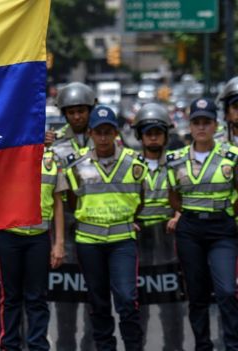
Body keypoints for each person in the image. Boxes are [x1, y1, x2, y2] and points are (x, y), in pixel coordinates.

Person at [63, 105, 146, 351]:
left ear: (116, 133)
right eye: (98, 132)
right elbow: (72, 200)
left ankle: (133, 346)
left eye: (108, 131)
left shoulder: (133, 162)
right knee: (98, 301)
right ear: (90, 133)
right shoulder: (76, 164)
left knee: (126, 299)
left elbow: (139, 199)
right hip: (89, 241)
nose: (102, 137)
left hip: (122, 240)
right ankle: (105, 347)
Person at [166, 98, 238, 351]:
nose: (201, 127)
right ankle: (203, 346)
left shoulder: (231, 156)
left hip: (222, 229)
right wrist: (186, 214)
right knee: (197, 295)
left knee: (227, 290)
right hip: (191, 230)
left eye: (206, 122)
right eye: (196, 122)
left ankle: (232, 344)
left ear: (215, 124)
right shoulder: (175, 158)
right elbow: (173, 196)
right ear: (190, 125)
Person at [0, 147, 66, 351]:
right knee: (11, 298)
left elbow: (58, 203)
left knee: (37, 298)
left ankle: (37, 346)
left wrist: (59, 243)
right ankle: (10, 346)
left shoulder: (52, 159)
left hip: (39, 238)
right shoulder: (4, 152)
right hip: (9, 236)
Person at [131, 103, 186, 350]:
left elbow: (188, 194)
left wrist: (178, 214)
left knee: (172, 305)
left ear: (166, 134)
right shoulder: (129, 164)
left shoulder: (178, 163)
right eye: (148, 132)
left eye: (157, 132)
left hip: (169, 238)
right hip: (140, 239)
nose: (153, 136)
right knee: (139, 304)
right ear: (140, 136)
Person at [49, 81, 96, 351]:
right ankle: (65, 345)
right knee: (64, 295)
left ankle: (90, 346)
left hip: (95, 225)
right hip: (64, 226)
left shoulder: (107, 138)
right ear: (64, 113)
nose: (77, 116)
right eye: (71, 112)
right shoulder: (54, 143)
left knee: (94, 296)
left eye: (81, 111)